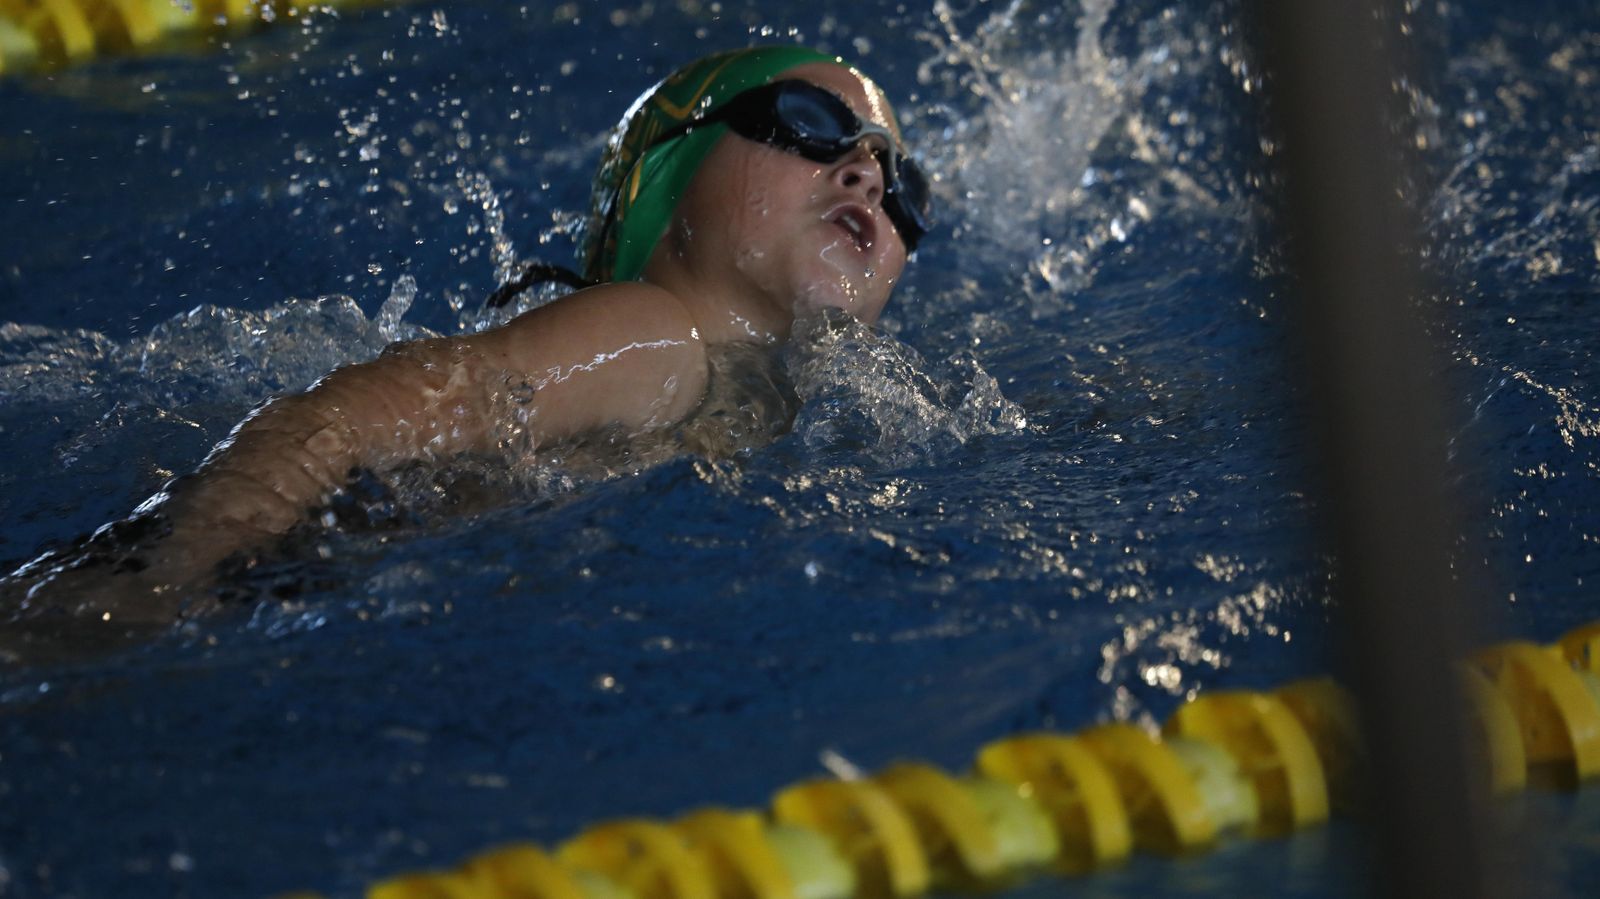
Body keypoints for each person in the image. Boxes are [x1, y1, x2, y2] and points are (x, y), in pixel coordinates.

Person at [2, 46, 933, 638]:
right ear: (667, 183)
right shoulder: (653, 332)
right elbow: (357, 413)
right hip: (239, 565)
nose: (865, 174)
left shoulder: (773, 398)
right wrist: (168, 567)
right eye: (811, 126)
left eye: (902, 186)